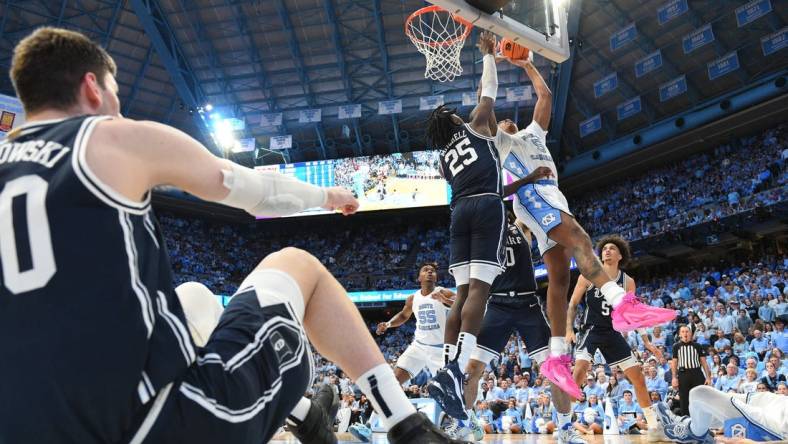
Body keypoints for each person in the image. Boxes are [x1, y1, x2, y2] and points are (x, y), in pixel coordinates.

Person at [0, 27, 467, 444]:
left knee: (196, 298)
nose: (118, 105)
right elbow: (253, 191)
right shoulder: (107, 136)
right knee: (297, 265)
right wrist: (328, 196)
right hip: (156, 423)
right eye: (116, 91)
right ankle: (406, 425)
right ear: (92, 88)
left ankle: (305, 415)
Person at [494, 56, 677, 399]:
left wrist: (525, 64)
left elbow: (545, 97)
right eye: (498, 123)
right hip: (534, 196)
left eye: (506, 119)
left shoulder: (532, 133)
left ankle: (555, 357)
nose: (504, 121)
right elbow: (496, 185)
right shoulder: (500, 146)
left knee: (559, 280)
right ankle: (622, 302)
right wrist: (491, 57)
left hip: (550, 196)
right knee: (581, 239)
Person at [425, 31, 509, 421]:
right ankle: (459, 370)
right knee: (480, 289)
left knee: (461, 292)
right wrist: (489, 55)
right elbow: (488, 94)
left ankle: (447, 365)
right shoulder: (474, 125)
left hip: (457, 212)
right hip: (486, 205)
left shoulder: (444, 159)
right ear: (456, 120)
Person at [461, 213, 583, 443]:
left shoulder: (520, 227)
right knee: (472, 369)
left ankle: (566, 427)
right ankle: (468, 422)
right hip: (497, 305)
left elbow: (528, 205)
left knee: (555, 370)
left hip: (527, 305)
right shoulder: (482, 237)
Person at [567, 235, 667, 441]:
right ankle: (564, 424)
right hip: (591, 329)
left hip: (612, 332)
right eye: (604, 248)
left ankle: (654, 426)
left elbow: (633, 314)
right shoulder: (588, 274)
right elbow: (573, 304)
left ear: (620, 255)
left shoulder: (628, 282)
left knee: (638, 377)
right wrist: (569, 329)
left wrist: (647, 342)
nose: (607, 251)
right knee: (579, 373)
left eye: (612, 248)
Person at [375, 263, 455, 384]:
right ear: (419, 278)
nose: (429, 272)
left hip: (440, 349)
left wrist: (445, 300)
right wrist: (388, 324)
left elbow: (464, 305)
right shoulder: (413, 298)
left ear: (436, 278)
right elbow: (403, 315)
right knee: (394, 382)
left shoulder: (443, 292)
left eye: (432, 271)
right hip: (418, 347)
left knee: (447, 391)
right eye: (425, 270)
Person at [656, 385, 788, 443]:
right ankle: (688, 424)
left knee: (699, 393)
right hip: (762, 400)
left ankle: (694, 433)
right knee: (707, 408)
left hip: (768, 424)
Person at [672, 325, 713, 416]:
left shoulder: (697, 346)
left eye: (687, 331)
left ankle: (703, 417)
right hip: (683, 374)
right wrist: (674, 378)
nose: (685, 334)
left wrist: (708, 377)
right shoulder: (676, 346)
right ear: (679, 334)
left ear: (690, 333)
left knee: (700, 396)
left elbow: (704, 362)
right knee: (684, 398)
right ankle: (686, 419)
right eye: (683, 332)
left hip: (696, 373)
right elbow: (674, 362)